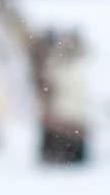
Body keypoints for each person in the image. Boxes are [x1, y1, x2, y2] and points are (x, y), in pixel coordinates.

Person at [33, 28, 92, 166]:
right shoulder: (79, 68)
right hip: (76, 128)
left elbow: (47, 91)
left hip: (63, 126)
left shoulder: (56, 67)